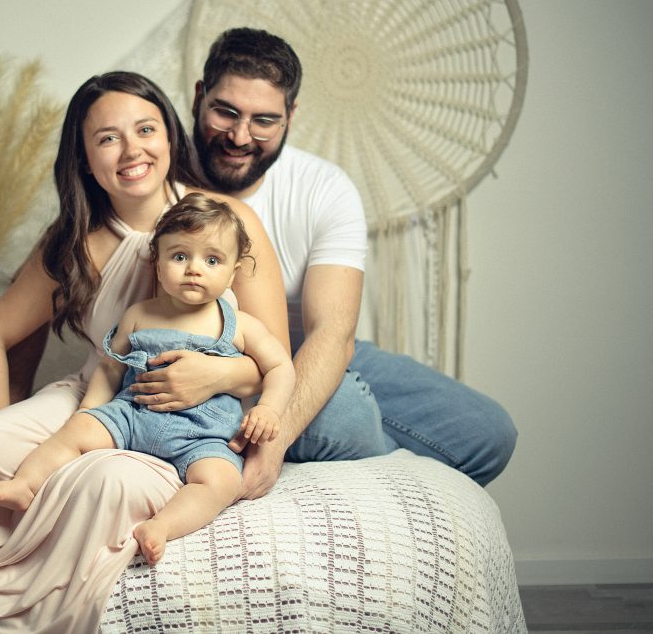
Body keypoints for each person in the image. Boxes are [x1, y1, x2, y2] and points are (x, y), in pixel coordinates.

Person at [0, 71, 289, 633]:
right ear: (86, 160)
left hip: (200, 415)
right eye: (107, 138)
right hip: (101, 392)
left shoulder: (227, 221)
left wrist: (211, 378)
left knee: (99, 486)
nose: (131, 149)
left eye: (145, 128)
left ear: (170, 134)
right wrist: (17, 425)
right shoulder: (75, 239)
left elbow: (271, 359)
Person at [123, 27, 518, 496]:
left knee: (489, 434)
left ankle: (365, 453)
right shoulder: (154, 172)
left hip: (303, 349)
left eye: (264, 120)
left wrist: (276, 436)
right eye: (226, 112)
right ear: (198, 98)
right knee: (347, 406)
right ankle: (368, 454)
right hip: (213, 348)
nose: (240, 136)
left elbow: (333, 333)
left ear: (290, 116)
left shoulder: (324, 188)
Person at [0, 193, 296, 565]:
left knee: (220, 481)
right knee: (71, 435)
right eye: (180, 256)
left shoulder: (240, 325)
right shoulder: (139, 314)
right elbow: (111, 367)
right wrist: (88, 411)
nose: (194, 269)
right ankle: (25, 484)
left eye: (212, 260)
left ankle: (162, 526)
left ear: (233, 270)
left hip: (201, 433)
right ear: (157, 263)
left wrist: (271, 410)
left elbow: (280, 367)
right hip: (132, 413)